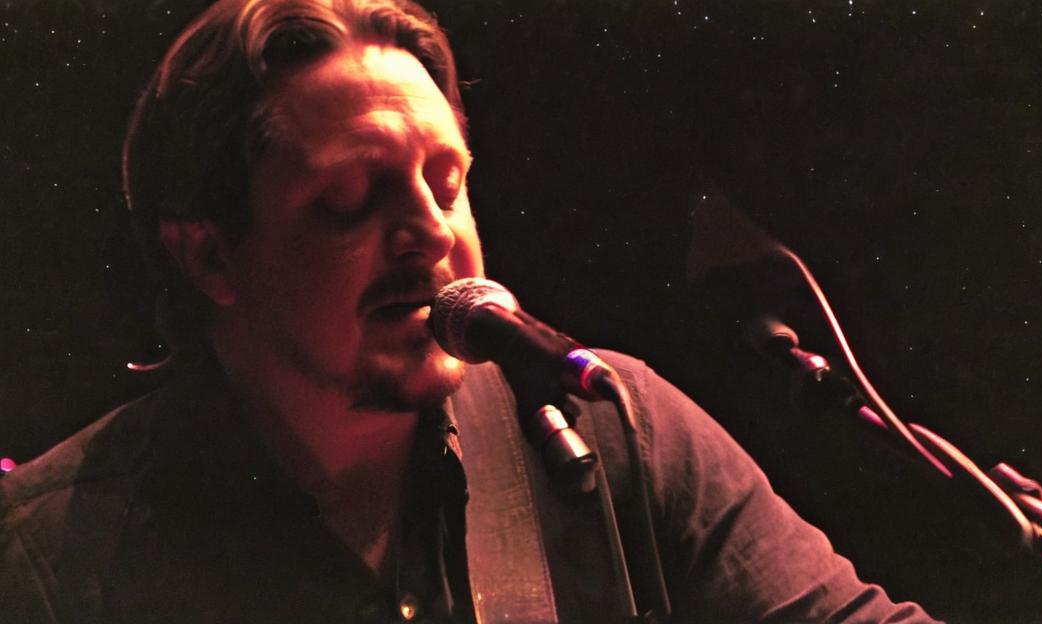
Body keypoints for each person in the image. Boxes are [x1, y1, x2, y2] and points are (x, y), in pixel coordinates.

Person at [0, 0, 937, 621]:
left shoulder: (612, 427)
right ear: (210, 255)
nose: (429, 232)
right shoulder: (48, 564)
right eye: (351, 199)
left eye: (447, 185)